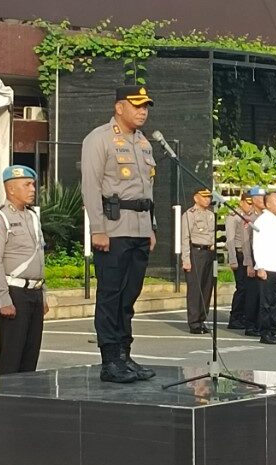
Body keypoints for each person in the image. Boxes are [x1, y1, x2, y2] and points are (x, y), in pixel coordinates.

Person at [81, 84, 156, 383]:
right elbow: (91, 186)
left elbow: (148, 190)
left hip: (139, 228)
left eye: (146, 106)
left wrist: (150, 227)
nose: (142, 111)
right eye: (136, 105)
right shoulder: (99, 139)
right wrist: (97, 229)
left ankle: (125, 354)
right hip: (112, 229)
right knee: (111, 294)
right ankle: (110, 360)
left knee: (130, 295)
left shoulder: (144, 143)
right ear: (119, 107)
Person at [0, 165, 49, 375]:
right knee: (13, 359)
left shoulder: (32, 216)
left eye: (33, 185)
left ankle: (26, 403)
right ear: (11, 189)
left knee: (30, 358)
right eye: (27, 185)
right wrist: (3, 298)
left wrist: (43, 295)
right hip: (14, 293)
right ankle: (8, 404)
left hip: (34, 293)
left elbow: (39, 255)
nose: (32, 189)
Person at [253, 192, 276, 344]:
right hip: (267, 267)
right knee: (266, 303)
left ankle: (273, 330)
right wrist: (259, 266)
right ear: (268, 204)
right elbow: (257, 244)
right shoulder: (263, 221)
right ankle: (265, 332)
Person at [181, 188, 215, 334]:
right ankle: (194, 323)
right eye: (204, 197)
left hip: (209, 253)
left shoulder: (211, 215)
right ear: (196, 198)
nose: (207, 199)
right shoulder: (189, 214)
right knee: (196, 289)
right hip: (196, 252)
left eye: (209, 197)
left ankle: (202, 319)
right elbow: (185, 238)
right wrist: (186, 259)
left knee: (207, 287)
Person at [226, 192, 252, 329]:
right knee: (241, 287)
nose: (250, 206)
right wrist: (232, 259)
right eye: (248, 203)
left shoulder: (253, 216)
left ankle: (244, 316)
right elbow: (230, 239)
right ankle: (235, 317)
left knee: (249, 289)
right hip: (239, 253)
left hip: (249, 255)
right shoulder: (234, 217)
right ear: (241, 202)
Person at [242, 185, 266, 337]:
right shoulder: (249, 219)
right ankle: (250, 325)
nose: (263, 201)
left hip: (265, 262)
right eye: (261, 198)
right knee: (252, 296)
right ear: (255, 200)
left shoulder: (267, 217)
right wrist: (249, 264)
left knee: (263, 296)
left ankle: (260, 324)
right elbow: (246, 243)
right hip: (254, 261)